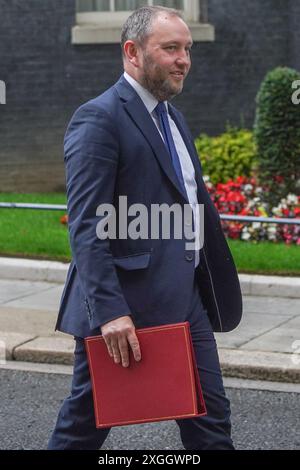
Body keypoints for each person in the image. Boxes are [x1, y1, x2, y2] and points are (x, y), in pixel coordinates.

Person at [48, 5, 242, 450]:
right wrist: (112, 311)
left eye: (187, 49)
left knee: (211, 421)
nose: (184, 60)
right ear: (133, 52)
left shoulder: (174, 118)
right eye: (170, 48)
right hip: (126, 308)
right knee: (85, 425)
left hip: (185, 298)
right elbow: (87, 225)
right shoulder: (99, 118)